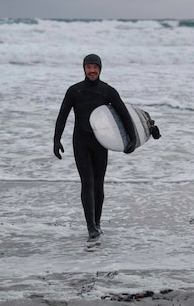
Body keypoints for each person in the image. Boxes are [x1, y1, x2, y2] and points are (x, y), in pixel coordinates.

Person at [53, 54, 138, 241]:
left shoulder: (107, 91)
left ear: (100, 68)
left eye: (95, 67)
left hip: (101, 142)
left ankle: (97, 223)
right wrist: (56, 139)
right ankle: (90, 226)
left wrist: (132, 140)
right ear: (83, 68)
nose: (92, 70)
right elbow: (62, 115)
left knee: (98, 183)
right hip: (80, 141)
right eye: (88, 67)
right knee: (87, 183)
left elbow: (124, 114)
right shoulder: (74, 91)